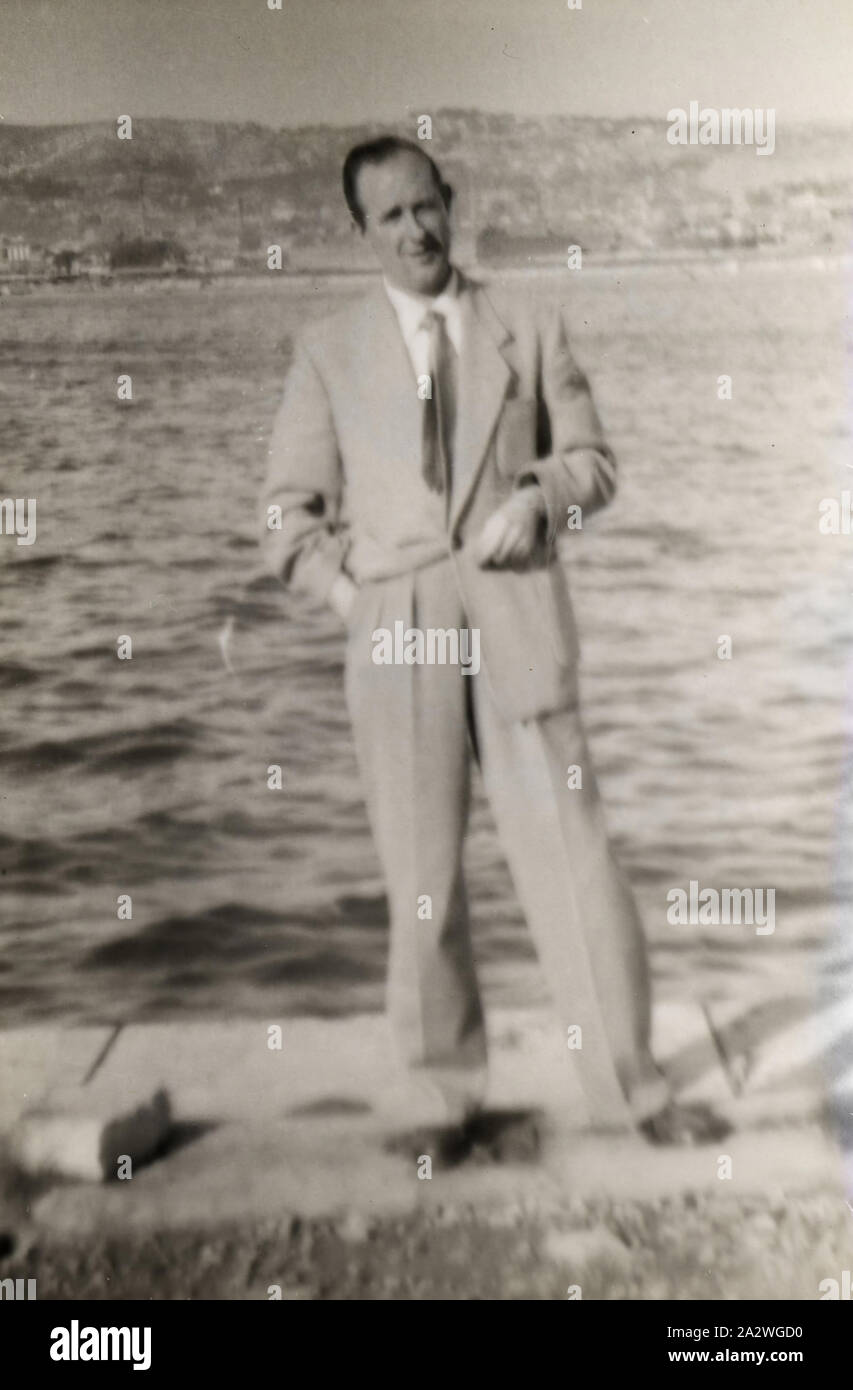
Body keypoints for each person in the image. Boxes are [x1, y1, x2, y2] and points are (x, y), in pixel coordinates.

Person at [260, 136, 722, 1157]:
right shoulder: (326, 350)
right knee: (421, 878)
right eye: (391, 217)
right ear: (361, 231)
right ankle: (438, 1104)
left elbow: (595, 464)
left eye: (429, 206)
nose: (418, 230)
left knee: (577, 859)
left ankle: (633, 1093)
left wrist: (538, 498)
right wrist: (355, 600)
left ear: (451, 203)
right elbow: (283, 519)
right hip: (396, 631)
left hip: (518, 614)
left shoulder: (528, 323)